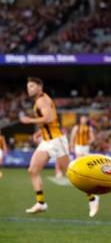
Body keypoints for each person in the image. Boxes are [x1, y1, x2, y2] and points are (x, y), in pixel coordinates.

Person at [20, 77, 99, 217]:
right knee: (33, 170)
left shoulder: (42, 100)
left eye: (32, 86)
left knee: (72, 174)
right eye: (28, 86)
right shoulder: (41, 99)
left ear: (40, 86)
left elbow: (48, 118)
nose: (29, 89)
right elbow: (51, 120)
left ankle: (93, 197)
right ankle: (41, 203)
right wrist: (40, 132)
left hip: (56, 141)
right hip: (47, 140)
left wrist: (29, 120)